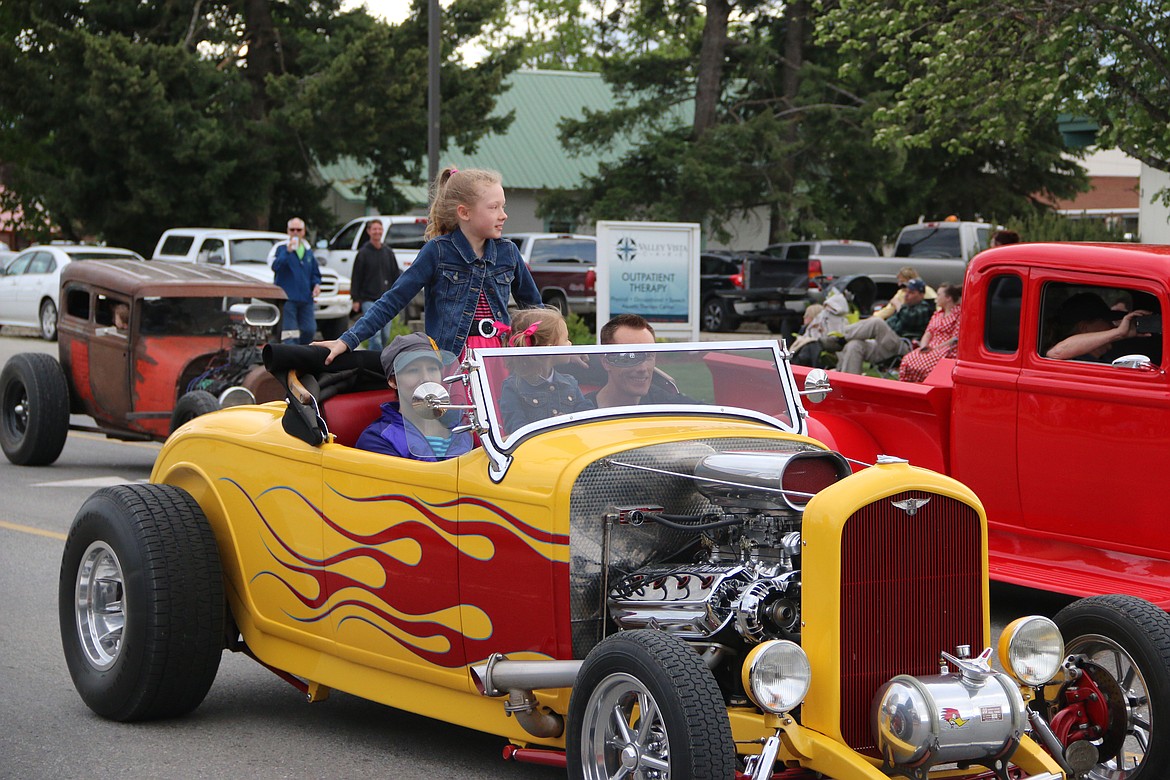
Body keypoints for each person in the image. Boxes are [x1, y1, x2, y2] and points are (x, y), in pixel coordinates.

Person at [317, 167, 542, 364]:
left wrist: (556, 342)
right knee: (458, 414)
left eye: (503, 206)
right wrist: (347, 340)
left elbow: (536, 309)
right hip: (450, 360)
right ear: (464, 212)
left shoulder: (508, 252)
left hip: (499, 358)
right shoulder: (438, 251)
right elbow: (392, 300)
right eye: (494, 207)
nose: (503, 215)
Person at [354, 333, 473, 460]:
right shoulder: (377, 438)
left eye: (432, 369)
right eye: (413, 371)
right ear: (393, 381)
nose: (426, 379)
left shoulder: (465, 425)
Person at [498, 308, 593, 432]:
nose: (570, 343)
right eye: (566, 339)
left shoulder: (570, 383)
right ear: (549, 349)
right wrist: (551, 426)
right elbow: (516, 430)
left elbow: (588, 418)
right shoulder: (512, 387)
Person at [823, 278, 934, 374]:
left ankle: (840, 337)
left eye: (911, 292)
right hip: (886, 346)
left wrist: (898, 305)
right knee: (855, 345)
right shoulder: (904, 308)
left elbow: (908, 320)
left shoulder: (925, 308)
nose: (907, 295)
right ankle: (848, 383)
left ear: (921, 295)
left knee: (877, 322)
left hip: (904, 347)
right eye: (906, 291)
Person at [1045, 292, 1151, 362]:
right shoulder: (1074, 359)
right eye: (1106, 320)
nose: (1111, 325)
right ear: (1084, 328)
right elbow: (1056, 353)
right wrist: (1118, 333)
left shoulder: (1097, 358)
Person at [350, 219, 400, 352]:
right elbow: (356, 277)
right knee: (375, 335)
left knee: (385, 335)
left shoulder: (388, 252)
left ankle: (381, 359)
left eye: (379, 229)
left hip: (387, 300)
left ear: (382, 231)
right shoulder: (363, 253)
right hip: (368, 300)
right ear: (369, 231)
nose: (377, 232)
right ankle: (373, 364)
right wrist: (355, 299)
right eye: (374, 229)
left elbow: (396, 276)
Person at [898, 283, 962, 382]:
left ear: (948, 298)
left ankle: (926, 386)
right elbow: (928, 333)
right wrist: (924, 346)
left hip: (947, 348)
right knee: (908, 359)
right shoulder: (937, 314)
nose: (937, 297)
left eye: (939, 295)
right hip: (930, 346)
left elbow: (955, 338)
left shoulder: (959, 314)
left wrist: (935, 348)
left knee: (928, 364)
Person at [272, 217, 322, 345]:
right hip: (288, 298)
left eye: (298, 230)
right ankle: (291, 360)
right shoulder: (281, 248)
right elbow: (275, 266)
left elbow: (315, 273)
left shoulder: (308, 251)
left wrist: (316, 285)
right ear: (288, 231)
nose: (295, 232)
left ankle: (302, 355)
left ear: (303, 232)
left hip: (306, 298)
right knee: (290, 332)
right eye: (292, 229)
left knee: (309, 330)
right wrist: (287, 253)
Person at [788, 290, 849, 367]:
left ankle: (797, 365)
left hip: (834, 343)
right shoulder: (822, 317)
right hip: (822, 343)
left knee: (811, 345)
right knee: (810, 345)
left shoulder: (841, 320)